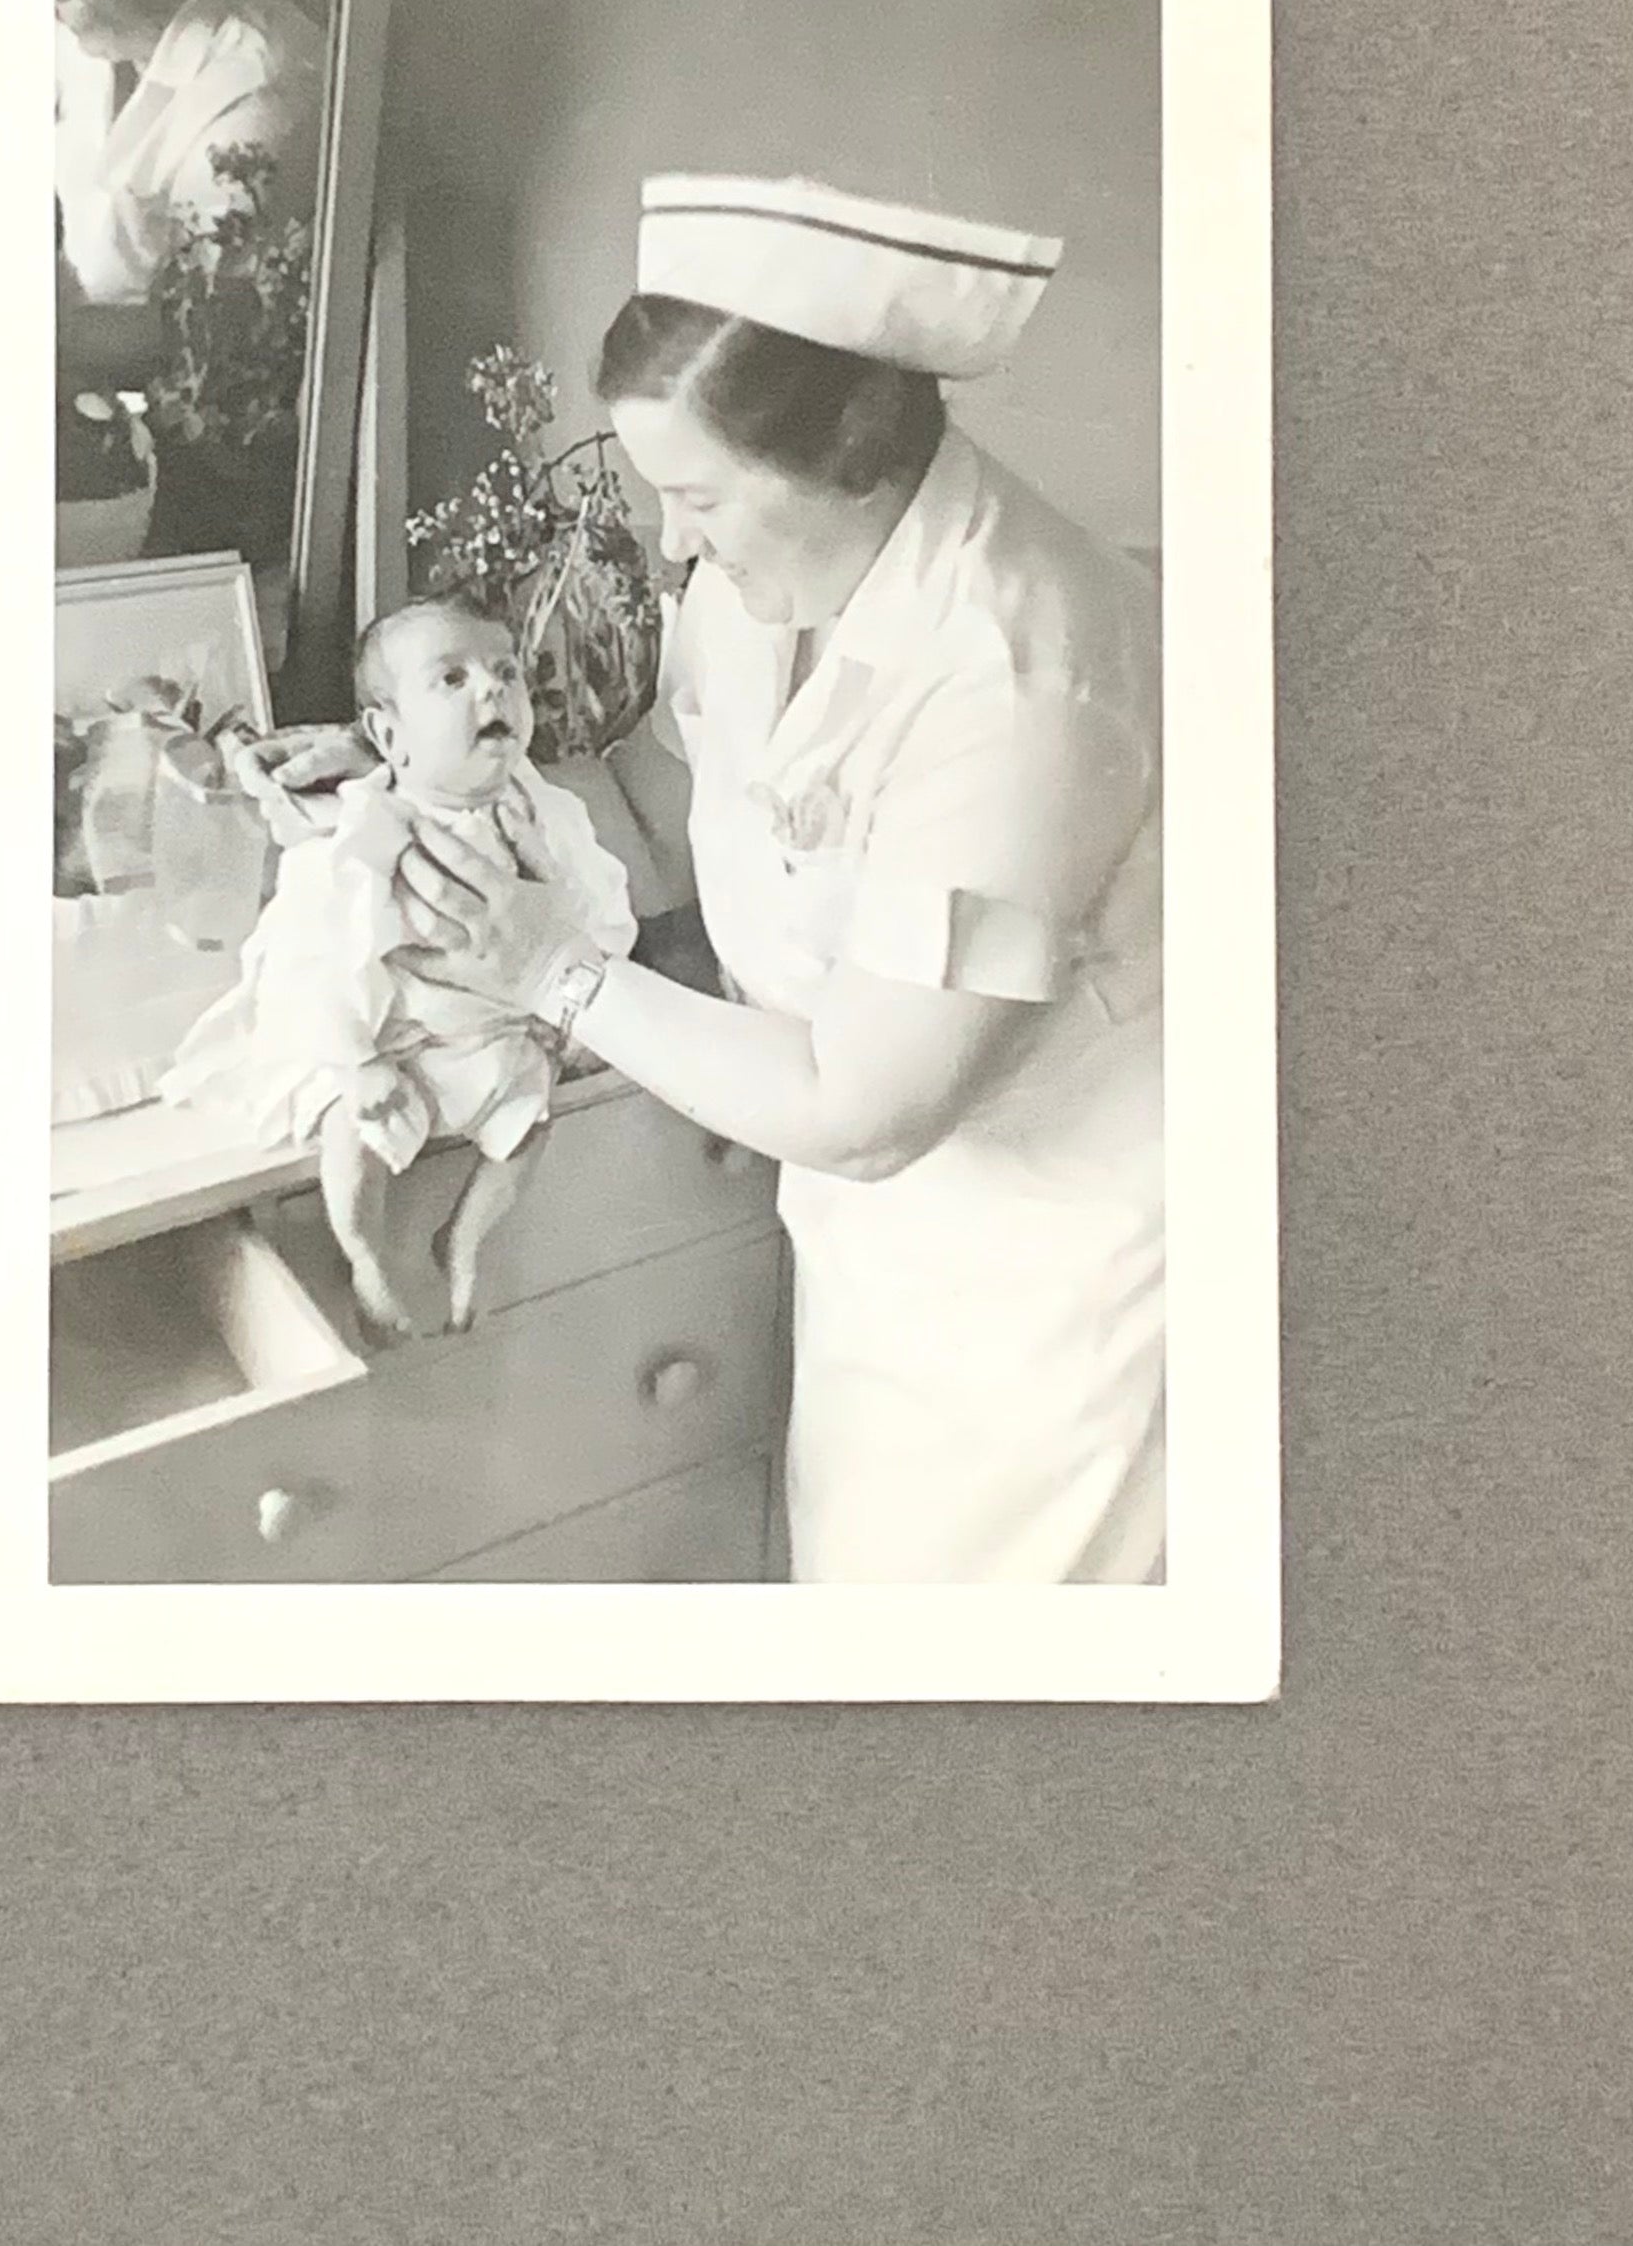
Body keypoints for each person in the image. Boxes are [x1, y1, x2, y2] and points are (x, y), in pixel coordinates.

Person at [384, 172, 1165, 1584]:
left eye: (698, 497)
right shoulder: (762, 587)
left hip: (1049, 1284)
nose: (672, 542)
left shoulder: (1022, 676)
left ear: (857, 454)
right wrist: (450, 808)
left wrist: (555, 968)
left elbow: (865, 1109)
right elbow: (696, 816)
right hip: (875, 1247)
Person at [161, 601, 637, 1337]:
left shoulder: (545, 808)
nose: (492, 690)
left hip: (497, 1031)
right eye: (452, 678)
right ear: (388, 737)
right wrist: (356, 1060)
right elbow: (325, 952)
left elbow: (596, 897)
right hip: (400, 1039)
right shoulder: (368, 831)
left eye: (506, 672)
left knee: (530, 1125)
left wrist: (577, 1001)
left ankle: (465, 1240)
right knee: (355, 1134)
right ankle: (366, 1260)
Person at [52, 0, 326, 545]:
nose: (54, 11)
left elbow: (201, 340)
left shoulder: (256, 105)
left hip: (134, 369)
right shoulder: (88, 25)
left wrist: (48, 345)